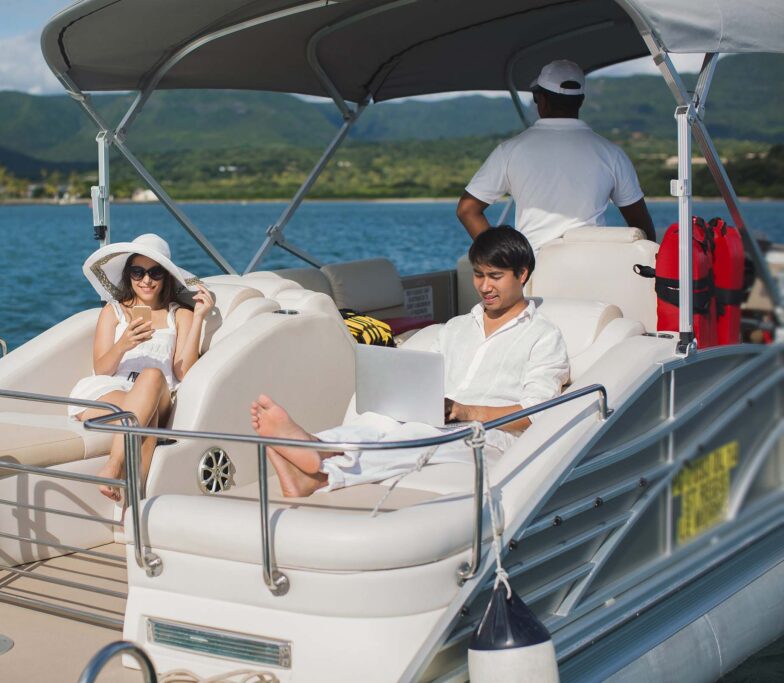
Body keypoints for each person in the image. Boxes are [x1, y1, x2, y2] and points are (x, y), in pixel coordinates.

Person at [250, 227, 569, 497]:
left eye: (495, 277)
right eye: (478, 275)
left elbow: (536, 413)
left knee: (413, 435)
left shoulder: (543, 336)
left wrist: (466, 411)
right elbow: (425, 380)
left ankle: (323, 472)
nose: (484, 287)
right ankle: (318, 447)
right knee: (379, 420)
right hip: (439, 419)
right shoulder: (456, 327)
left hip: (487, 437)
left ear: (522, 274)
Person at [70, 233, 213, 502]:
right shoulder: (113, 312)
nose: (146, 280)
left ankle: (114, 466)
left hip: (159, 391)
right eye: (138, 272)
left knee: (151, 376)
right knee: (144, 423)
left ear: (165, 277)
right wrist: (124, 343)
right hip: (113, 388)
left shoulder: (180, 315)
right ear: (129, 275)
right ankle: (132, 507)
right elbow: (101, 369)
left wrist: (199, 319)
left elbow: (183, 372)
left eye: (155, 273)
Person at [456, 59, 656, 251]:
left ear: (540, 99)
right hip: (595, 273)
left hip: (534, 275)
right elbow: (642, 228)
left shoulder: (509, 151)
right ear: (581, 101)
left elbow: (467, 210)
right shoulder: (612, 154)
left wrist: (503, 258)